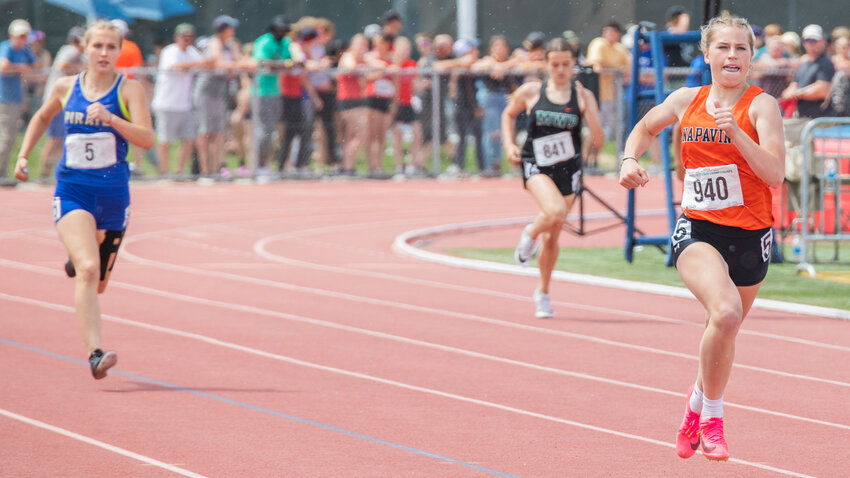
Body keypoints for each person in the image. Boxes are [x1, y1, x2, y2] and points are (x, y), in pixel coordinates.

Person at [619, 14, 785, 461]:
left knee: (723, 330)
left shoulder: (760, 106)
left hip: (751, 234)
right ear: (707, 54)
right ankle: (713, 418)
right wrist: (628, 159)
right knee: (726, 313)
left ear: (751, 58)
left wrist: (735, 132)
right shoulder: (685, 100)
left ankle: (693, 407)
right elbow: (644, 127)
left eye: (741, 49)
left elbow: (774, 174)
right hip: (699, 228)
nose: (732, 56)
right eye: (724, 48)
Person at [13, 20, 154, 379]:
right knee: (90, 271)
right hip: (73, 190)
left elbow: (147, 139)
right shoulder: (65, 86)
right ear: (85, 48)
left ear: (119, 51)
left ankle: (78, 258)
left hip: (113, 195)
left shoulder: (128, 90)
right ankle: (95, 353)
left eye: (111, 47)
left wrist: (111, 119)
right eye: (98, 46)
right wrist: (24, 155)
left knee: (99, 283)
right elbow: (42, 117)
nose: (104, 53)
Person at [502, 37, 604, 318]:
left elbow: (598, 140)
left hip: (568, 169)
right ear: (545, 64)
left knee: (553, 234)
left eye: (565, 64)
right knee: (555, 211)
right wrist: (509, 145)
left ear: (573, 65)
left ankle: (543, 292)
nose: (560, 69)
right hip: (536, 163)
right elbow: (508, 114)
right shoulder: (532, 91)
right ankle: (529, 233)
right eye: (554, 64)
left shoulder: (582, 95)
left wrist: (589, 109)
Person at [151, 23, 206, 177]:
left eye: (189, 37)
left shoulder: (192, 52)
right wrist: (196, 64)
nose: (186, 40)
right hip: (166, 103)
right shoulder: (169, 51)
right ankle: (164, 171)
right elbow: (174, 67)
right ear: (176, 37)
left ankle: (180, 171)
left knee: (189, 139)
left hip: (185, 104)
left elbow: (205, 64)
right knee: (165, 140)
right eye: (183, 37)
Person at [194, 15, 242, 178]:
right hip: (206, 93)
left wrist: (237, 63)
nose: (233, 31)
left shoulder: (230, 45)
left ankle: (216, 170)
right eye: (230, 28)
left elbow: (237, 64)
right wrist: (237, 65)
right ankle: (205, 171)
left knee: (219, 132)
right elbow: (218, 62)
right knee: (206, 133)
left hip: (219, 93)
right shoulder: (214, 43)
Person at [39, 26, 86, 180]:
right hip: (56, 101)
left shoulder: (77, 53)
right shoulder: (69, 50)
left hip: (65, 101)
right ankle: (44, 172)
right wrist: (81, 69)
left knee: (63, 138)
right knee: (54, 138)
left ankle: (56, 170)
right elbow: (62, 66)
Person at [250, 15, 292, 177]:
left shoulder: (284, 43)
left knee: (272, 130)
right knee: (263, 131)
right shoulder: (264, 41)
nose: (282, 32)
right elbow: (262, 62)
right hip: (261, 91)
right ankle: (259, 167)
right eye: (279, 29)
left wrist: (283, 65)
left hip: (275, 91)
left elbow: (289, 60)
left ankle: (266, 165)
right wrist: (282, 65)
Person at [0, 19, 37, 181]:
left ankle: (3, 172)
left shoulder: (25, 50)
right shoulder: (7, 47)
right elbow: (4, 66)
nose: (22, 39)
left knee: (12, 137)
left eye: (24, 36)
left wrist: (24, 68)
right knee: (6, 137)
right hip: (4, 99)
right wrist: (20, 68)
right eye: (19, 36)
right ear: (11, 35)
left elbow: (35, 64)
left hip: (17, 98)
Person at [781, 24, 836, 119]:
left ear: (822, 41)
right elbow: (793, 86)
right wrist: (789, 93)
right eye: (807, 40)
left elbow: (823, 90)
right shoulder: (803, 64)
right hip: (804, 118)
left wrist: (797, 94)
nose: (810, 43)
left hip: (821, 120)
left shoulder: (826, 63)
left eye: (814, 40)